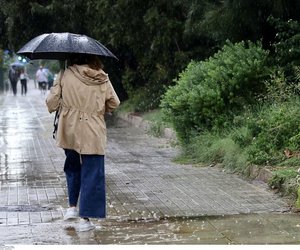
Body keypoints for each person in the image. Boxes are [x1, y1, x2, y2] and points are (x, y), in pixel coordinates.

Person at [45, 54, 120, 232]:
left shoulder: (64, 74)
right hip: (93, 130)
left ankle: (72, 207)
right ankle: (85, 220)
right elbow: (114, 103)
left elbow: (51, 103)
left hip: (69, 128)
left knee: (72, 166)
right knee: (92, 172)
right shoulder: (102, 77)